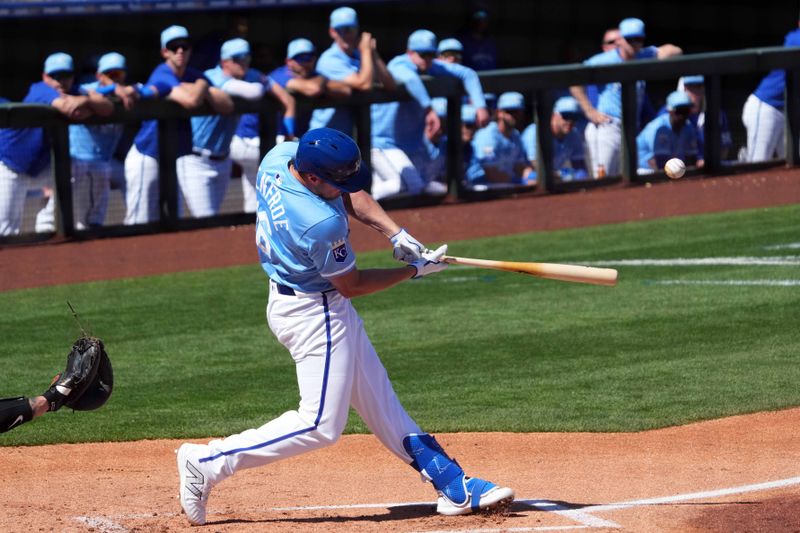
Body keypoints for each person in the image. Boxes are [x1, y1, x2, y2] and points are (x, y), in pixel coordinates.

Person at [176, 127, 515, 526]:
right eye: (335, 181)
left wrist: (395, 232)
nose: (345, 187)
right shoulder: (318, 224)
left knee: (380, 399)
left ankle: (452, 483)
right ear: (314, 178)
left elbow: (350, 192)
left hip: (307, 300)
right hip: (312, 313)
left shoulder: (280, 157)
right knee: (320, 425)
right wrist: (412, 271)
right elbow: (351, 285)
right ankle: (207, 461)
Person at [123, 25, 233, 225]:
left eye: (185, 46)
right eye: (174, 47)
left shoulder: (193, 75)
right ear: (165, 51)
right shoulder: (162, 73)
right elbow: (190, 101)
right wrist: (202, 86)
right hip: (148, 155)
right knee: (139, 220)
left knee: (173, 219)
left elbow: (227, 105)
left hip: (174, 156)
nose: (180, 50)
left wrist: (201, 86)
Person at [0, 53, 113, 236]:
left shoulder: (76, 90)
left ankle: (48, 223)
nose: (60, 81)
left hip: (40, 165)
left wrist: (85, 99)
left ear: (72, 76)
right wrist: (85, 103)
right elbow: (71, 109)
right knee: (5, 232)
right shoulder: (40, 89)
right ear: (45, 77)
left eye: (65, 75)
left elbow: (108, 107)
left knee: (77, 166)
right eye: (55, 76)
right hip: (10, 165)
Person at [370, 29, 490, 200]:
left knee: (424, 189)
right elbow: (411, 80)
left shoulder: (433, 66)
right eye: (422, 54)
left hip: (407, 147)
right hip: (382, 143)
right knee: (401, 186)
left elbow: (467, 74)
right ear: (410, 52)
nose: (427, 59)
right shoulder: (399, 64)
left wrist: (480, 106)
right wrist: (429, 109)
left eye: (431, 55)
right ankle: (354, 201)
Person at [188, 38, 292, 218]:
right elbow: (254, 92)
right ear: (224, 62)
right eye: (237, 58)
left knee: (214, 221)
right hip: (196, 159)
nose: (243, 62)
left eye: (246, 57)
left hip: (223, 157)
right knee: (203, 220)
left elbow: (286, 98)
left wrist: (290, 130)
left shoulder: (250, 75)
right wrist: (262, 83)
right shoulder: (212, 76)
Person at [569, 17, 682, 178]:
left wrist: (653, 54)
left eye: (638, 39)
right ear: (620, 41)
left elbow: (675, 50)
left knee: (624, 179)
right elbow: (575, 79)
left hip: (629, 128)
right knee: (603, 178)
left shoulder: (644, 55)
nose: (634, 44)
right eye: (630, 40)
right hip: (608, 126)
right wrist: (589, 111)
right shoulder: (606, 60)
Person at [69, 52, 146, 230]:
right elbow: (78, 92)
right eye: (110, 75)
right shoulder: (85, 88)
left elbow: (144, 88)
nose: (115, 79)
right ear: (99, 75)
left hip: (104, 161)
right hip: (78, 161)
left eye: (119, 74)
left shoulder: (127, 92)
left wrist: (130, 90)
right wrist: (112, 89)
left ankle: (135, 224)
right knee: (80, 221)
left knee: (129, 175)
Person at [309, 6, 395, 133]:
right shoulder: (329, 59)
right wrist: (366, 51)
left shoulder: (359, 56)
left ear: (357, 30)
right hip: (323, 132)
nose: (346, 35)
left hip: (345, 134)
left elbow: (391, 85)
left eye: (350, 29)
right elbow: (364, 85)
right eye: (340, 30)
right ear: (332, 32)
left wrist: (373, 53)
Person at [742, 19, 800, 162]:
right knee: (758, 163)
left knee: (794, 165)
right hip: (767, 107)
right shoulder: (795, 38)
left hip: (790, 112)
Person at [268, 38, 351, 137]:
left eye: (309, 57)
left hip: (297, 136)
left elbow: (346, 89)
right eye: (300, 58)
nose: (306, 63)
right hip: (266, 136)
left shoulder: (314, 76)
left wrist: (321, 81)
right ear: (289, 61)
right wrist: (322, 82)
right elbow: (314, 89)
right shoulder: (279, 74)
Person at [468, 91, 533, 188]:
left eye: (518, 111)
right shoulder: (488, 134)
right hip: (479, 186)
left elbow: (519, 166)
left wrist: (533, 177)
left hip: (505, 185)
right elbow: (491, 172)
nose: (514, 115)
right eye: (509, 111)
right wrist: (520, 182)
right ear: (499, 113)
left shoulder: (515, 135)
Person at [521, 96, 588, 183]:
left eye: (574, 117)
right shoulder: (535, 132)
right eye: (566, 116)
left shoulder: (573, 134)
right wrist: (562, 175)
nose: (570, 121)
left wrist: (578, 176)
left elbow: (580, 167)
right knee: (532, 177)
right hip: (521, 178)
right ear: (553, 116)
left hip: (553, 176)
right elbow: (536, 166)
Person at [636, 90, 699, 174]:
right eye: (679, 111)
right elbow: (659, 163)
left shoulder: (688, 127)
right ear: (670, 111)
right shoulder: (659, 128)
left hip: (672, 170)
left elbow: (691, 159)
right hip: (643, 170)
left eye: (686, 111)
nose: (683, 115)